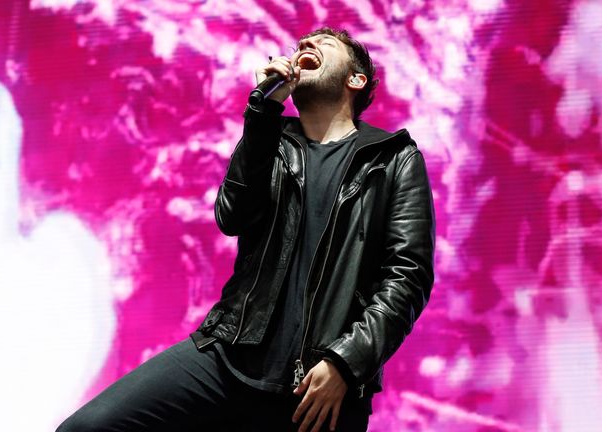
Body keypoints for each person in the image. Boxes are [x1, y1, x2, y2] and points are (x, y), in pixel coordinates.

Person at [57, 27, 435, 432]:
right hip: (228, 358)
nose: (306, 45)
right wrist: (262, 112)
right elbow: (232, 215)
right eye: (301, 45)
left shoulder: (393, 158)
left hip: (319, 387)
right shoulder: (270, 140)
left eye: (324, 44)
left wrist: (346, 362)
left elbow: (407, 276)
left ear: (355, 80)